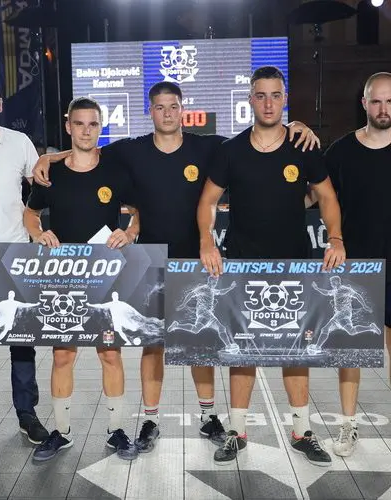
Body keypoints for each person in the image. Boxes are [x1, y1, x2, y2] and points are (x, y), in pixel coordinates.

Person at [33, 82, 319, 454]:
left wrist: (296, 125)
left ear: (182, 109)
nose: (167, 113)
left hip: (197, 261)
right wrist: (50, 158)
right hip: (151, 263)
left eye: (173, 106)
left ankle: (208, 416)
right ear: (150, 111)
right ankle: (150, 419)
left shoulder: (208, 147)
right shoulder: (131, 150)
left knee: (200, 344)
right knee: (154, 345)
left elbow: (257, 138)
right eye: (159, 107)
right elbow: (87, 150)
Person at [198, 66, 346, 466]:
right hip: (243, 265)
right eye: (260, 95)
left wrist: (335, 238)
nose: (268, 103)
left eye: (275, 95)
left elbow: (327, 197)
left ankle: (302, 432)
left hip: (294, 264)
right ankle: (237, 432)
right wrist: (207, 240)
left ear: (285, 99)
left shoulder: (303, 146)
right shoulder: (230, 150)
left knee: (295, 350)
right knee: (242, 350)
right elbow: (208, 201)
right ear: (250, 99)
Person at [23, 97, 139, 461]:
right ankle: (61, 432)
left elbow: (138, 213)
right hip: (63, 277)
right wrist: (38, 232)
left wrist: (129, 232)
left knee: (110, 354)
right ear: (68, 126)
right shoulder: (51, 173)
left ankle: (117, 430)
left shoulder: (115, 171)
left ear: (100, 127)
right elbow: (30, 213)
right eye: (79, 124)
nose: (86, 131)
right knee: (62, 357)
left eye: (93, 124)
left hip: (104, 275)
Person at [324, 71, 391, 457]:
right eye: (376, 101)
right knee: (351, 351)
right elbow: (315, 196)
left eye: (389, 101)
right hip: (357, 265)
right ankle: (348, 426)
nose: (383, 108)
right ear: (364, 103)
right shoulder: (341, 152)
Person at [0, 77, 48, 445]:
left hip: (13, 255)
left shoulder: (18, 142)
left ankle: (27, 413)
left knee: (22, 340)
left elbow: (41, 182)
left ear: (0, 104)